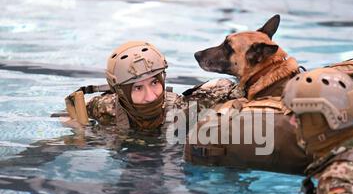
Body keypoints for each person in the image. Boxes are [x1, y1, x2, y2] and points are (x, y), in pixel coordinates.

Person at [62, 40, 237, 131]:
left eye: (155, 82)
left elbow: (227, 87)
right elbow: (67, 115)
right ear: (120, 94)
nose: (151, 96)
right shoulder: (104, 108)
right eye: (138, 87)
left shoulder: (184, 110)